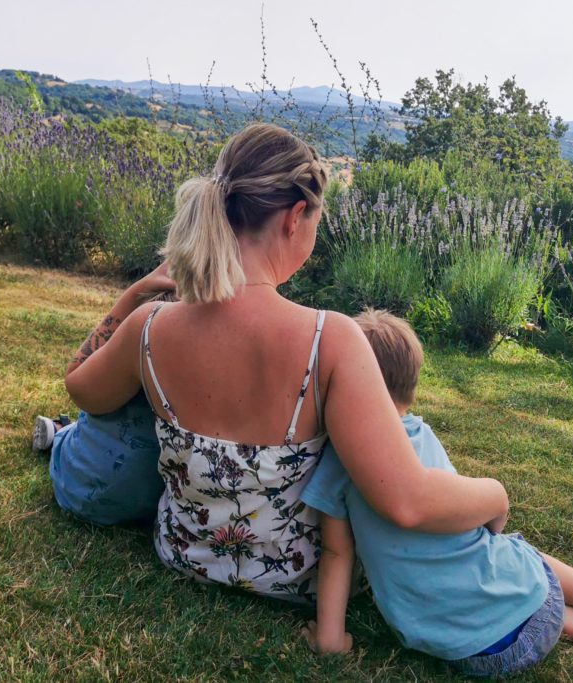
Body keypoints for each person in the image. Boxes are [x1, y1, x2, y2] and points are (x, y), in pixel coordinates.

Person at [63, 122, 523, 602]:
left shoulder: (150, 328)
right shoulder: (331, 340)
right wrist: (496, 493)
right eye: (317, 223)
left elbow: (82, 389)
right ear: (295, 215)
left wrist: (134, 296)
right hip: (297, 582)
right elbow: (407, 502)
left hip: (181, 556)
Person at [299, 310, 573, 676]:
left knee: (497, 559)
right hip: (531, 616)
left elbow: (338, 552)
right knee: (514, 550)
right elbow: (471, 519)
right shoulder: (422, 438)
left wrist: (330, 639)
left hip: (466, 653)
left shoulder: (338, 462)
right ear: (411, 389)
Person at [33, 269, 174, 526]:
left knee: (89, 421)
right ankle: (62, 429)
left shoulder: (149, 324)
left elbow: (78, 385)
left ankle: (58, 431)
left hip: (86, 494)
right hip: (162, 506)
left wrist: (133, 294)